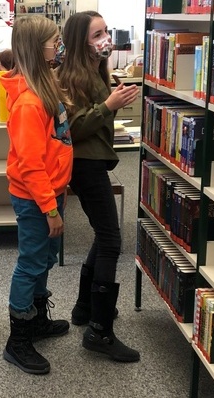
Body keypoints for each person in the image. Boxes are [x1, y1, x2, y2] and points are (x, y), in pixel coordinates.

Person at [56, 11, 140, 362]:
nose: (105, 39)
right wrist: (109, 105)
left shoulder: (96, 70)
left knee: (104, 234)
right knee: (110, 240)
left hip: (94, 160)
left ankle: (85, 307)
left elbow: (96, 116)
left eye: (105, 31)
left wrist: (110, 102)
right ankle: (99, 331)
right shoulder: (69, 76)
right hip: (84, 165)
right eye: (97, 34)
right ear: (80, 41)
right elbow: (73, 128)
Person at [0, 15, 73, 375]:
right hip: (35, 199)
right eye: (54, 41)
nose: (58, 46)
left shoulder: (46, 89)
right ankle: (18, 340)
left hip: (51, 193)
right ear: (35, 48)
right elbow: (29, 165)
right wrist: (49, 209)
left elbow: (55, 145)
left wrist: (58, 194)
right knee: (31, 263)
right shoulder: (29, 104)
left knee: (45, 258)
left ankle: (37, 318)